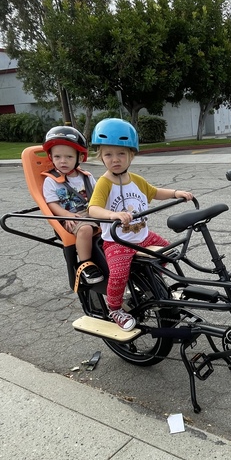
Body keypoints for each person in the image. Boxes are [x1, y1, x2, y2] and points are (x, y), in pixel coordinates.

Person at [88, 118, 193, 332]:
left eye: (121, 154)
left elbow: (154, 192)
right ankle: (115, 308)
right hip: (118, 241)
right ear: (101, 156)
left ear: (131, 155)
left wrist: (175, 193)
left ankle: (153, 286)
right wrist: (112, 214)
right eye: (108, 154)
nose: (115, 159)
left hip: (142, 236)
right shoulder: (104, 182)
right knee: (118, 274)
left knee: (168, 253)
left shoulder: (136, 179)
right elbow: (93, 209)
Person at [41, 126, 104, 286]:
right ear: (51, 157)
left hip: (90, 211)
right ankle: (86, 265)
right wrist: (65, 215)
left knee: (116, 221)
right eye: (57, 156)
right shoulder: (51, 180)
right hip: (69, 217)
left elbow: (98, 195)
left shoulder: (87, 177)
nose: (63, 161)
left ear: (79, 157)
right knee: (85, 229)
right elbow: (51, 204)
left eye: (68, 156)